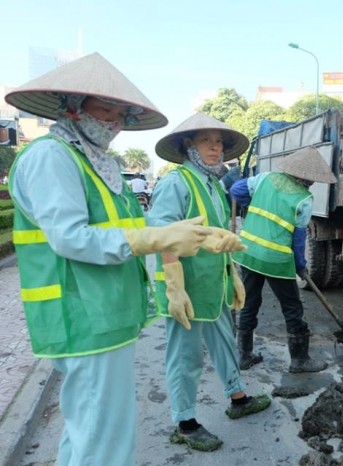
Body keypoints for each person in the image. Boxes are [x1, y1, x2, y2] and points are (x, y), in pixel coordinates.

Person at [5, 52, 223, 466]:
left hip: (104, 314)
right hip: (82, 315)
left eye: (122, 113)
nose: (115, 121)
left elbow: (124, 225)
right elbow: (70, 238)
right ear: (71, 106)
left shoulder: (95, 160)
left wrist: (184, 239)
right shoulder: (52, 155)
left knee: (89, 434)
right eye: (106, 109)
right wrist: (155, 237)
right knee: (104, 443)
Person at [149, 112, 270, 452]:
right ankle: (185, 423)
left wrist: (230, 275)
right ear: (188, 145)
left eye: (218, 142)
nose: (215, 148)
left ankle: (238, 397)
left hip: (213, 285)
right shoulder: (176, 183)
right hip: (185, 289)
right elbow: (162, 236)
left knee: (223, 343)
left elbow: (216, 237)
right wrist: (174, 287)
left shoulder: (214, 184)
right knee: (185, 356)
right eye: (207, 141)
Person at [230, 146, 337, 371]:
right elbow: (298, 240)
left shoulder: (265, 179)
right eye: (311, 179)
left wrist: (251, 204)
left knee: (249, 303)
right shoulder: (303, 199)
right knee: (292, 307)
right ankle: (300, 360)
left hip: (248, 254)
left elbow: (236, 190)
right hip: (276, 260)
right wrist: (300, 266)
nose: (312, 183)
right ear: (302, 177)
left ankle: (244, 355)